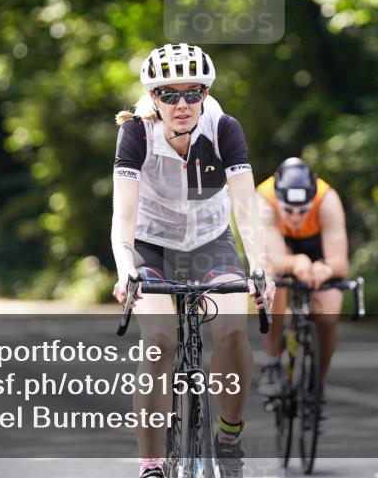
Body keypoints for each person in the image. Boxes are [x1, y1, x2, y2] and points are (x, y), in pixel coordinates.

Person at [111, 43, 276, 478]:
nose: (181, 104)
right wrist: (126, 268)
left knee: (233, 334)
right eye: (168, 94)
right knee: (160, 341)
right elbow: (124, 214)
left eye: (192, 93)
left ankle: (228, 434)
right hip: (152, 246)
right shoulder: (136, 134)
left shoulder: (223, 129)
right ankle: (151, 464)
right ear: (152, 97)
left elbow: (245, 206)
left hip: (209, 240)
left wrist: (258, 267)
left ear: (205, 93)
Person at [254, 158, 348, 412]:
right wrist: (296, 263)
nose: (295, 218)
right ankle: (272, 361)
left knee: (327, 317)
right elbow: (273, 258)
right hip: (282, 247)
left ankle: (318, 384)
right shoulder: (264, 198)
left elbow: (340, 261)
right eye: (289, 210)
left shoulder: (326, 199)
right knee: (275, 285)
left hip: (318, 248)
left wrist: (325, 268)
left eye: (302, 211)